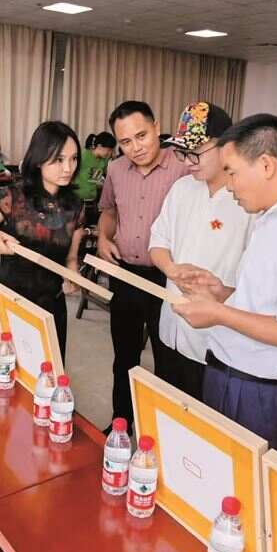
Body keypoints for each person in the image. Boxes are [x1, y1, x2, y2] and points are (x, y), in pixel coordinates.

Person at [173, 114, 277, 465]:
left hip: (263, 395)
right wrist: (223, 293)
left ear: (266, 165)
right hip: (233, 378)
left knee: (258, 490)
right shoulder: (273, 218)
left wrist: (220, 313)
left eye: (232, 172)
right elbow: (271, 303)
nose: (229, 185)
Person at [0, 121, 84, 360]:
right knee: (4, 369)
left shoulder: (75, 206)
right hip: (10, 300)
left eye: (73, 159)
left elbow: (71, 258)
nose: (68, 168)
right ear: (39, 159)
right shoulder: (14, 197)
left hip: (51, 307)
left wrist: (72, 274)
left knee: (48, 372)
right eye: (59, 160)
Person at [149, 102, 252, 401]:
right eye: (182, 152)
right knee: (167, 402)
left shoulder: (246, 200)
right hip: (171, 325)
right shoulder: (182, 189)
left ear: (227, 146)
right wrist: (171, 269)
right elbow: (158, 241)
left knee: (204, 412)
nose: (188, 161)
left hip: (215, 337)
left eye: (196, 151)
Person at [98, 100, 188, 433]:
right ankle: (121, 425)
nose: (135, 148)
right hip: (125, 274)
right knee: (124, 356)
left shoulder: (183, 167)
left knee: (168, 360)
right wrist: (103, 238)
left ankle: (162, 434)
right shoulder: (116, 170)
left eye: (141, 136)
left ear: (156, 127)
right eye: (125, 142)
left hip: (168, 279)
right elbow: (109, 210)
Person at [73, 131, 116, 203]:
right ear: (99, 146)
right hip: (77, 198)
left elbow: (106, 176)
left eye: (111, 151)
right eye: (108, 150)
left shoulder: (104, 160)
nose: (109, 153)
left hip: (92, 198)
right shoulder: (83, 156)